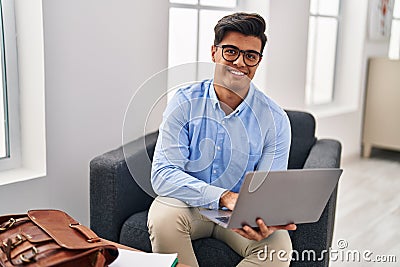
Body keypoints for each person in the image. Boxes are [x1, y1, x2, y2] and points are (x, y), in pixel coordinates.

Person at [148, 12, 296, 267]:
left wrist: (266, 218)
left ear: (258, 61)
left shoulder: (275, 119)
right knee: (163, 216)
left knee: (279, 247)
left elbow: (269, 188)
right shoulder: (184, 102)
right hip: (188, 205)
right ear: (214, 52)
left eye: (250, 55)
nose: (240, 62)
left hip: (240, 215)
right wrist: (222, 196)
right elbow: (162, 174)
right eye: (230, 51)